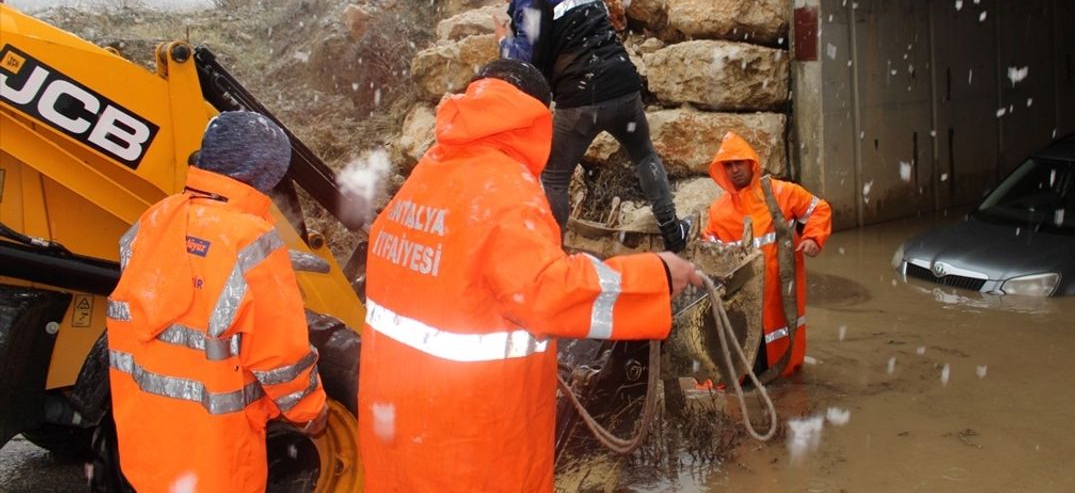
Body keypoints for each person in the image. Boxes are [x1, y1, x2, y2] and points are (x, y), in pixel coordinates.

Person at [357, 59, 702, 493]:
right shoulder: (506, 189)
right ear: (535, 117)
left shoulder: (425, 177)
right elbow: (547, 294)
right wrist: (656, 275)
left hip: (398, 433)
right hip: (472, 444)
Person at [106, 111, 328, 493]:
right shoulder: (252, 241)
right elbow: (280, 357)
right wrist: (311, 413)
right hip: (216, 457)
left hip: (146, 444)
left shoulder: (155, 219)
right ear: (264, 173)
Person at [485, 0, 691, 252]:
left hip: (582, 98)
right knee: (644, 155)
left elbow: (522, 63)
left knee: (554, 177)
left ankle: (550, 253)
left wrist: (503, 41)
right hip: (624, 86)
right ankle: (673, 232)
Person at [703, 131, 832, 378]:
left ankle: (783, 389)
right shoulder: (718, 211)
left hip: (780, 293)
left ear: (751, 163)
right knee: (745, 352)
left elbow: (819, 209)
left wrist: (813, 238)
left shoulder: (782, 193)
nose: (734, 170)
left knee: (783, 354)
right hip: (742, 297)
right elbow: (709, 254)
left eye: (738, 163)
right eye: (728, 165)